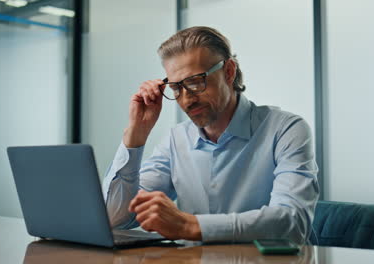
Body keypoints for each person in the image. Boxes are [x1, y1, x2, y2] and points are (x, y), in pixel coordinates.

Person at [102, 26, 319, 243]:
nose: (186, 100)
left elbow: (293, 222)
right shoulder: (175, 140)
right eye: (176, 88)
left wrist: (189, 225)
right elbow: (114, 219)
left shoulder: (286, 130)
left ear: (229, 72)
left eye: (196, 82)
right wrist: (135, 135)